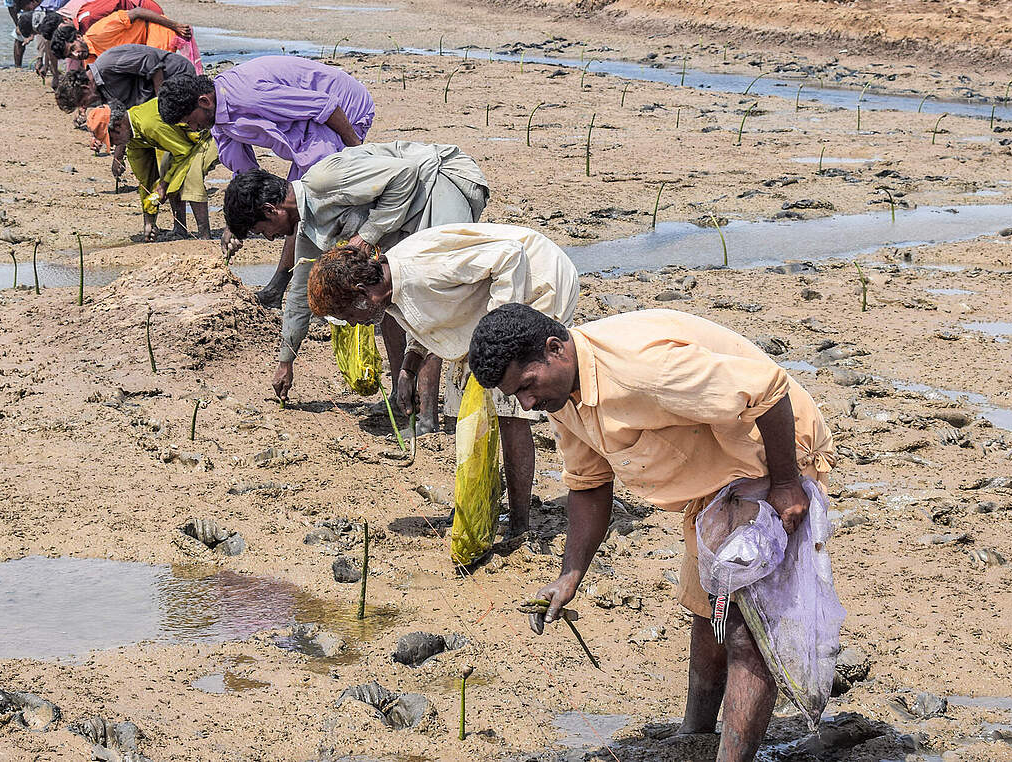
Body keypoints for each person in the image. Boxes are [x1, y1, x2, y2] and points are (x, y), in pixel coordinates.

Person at [466, 305, 836, 762]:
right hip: (711, 477)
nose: (525, 405)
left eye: (526, 387)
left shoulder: (644, 369)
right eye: (514, 395)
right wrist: (570, 575)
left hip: (769, 451)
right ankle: (695, 736)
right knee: (707, 607)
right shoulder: (561, 396)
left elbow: (768, 388)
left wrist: (785, 483)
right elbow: (589, 485)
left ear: (555, 349)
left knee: (746, 628)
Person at [307, 224, 579, 533]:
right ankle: (478, 505)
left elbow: (509, 256)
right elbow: (432, 317)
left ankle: (519, 524)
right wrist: (409, 365)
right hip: (485, 307)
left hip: (537, 280)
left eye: (348, 317)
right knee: (458, 404)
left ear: (360, 295)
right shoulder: (386, 288)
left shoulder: (422, 270)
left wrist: (495, 334)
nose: (355, 324)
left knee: (507, 409)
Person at [222, 141, 487, 403]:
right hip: (411, 211)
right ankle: (401, 396)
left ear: (272, 210)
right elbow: (300, 296)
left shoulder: (325, 180)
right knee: (384, 296)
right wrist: (286, 361)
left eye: (262, 231)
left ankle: (427, 413)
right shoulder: (307, 229)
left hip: (440, 181)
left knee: (430, 296)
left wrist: (366, 236)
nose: (269, 239)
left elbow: (405, 174)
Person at [157, 57, 376, 307]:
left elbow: (325, 105)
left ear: (204, 101)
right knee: (296, 203)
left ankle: (293, 287)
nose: (192, 128)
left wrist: (357, 153)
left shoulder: (250, 96)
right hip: (306, 128)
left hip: (342, 109)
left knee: (310, 203)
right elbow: (247, 176)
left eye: (189, 120)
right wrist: (236, 223)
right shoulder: (217, 120)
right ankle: (285, 288)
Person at [108, 100, 220, 241]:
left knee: (190, 174)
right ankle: (180, 230)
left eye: (111, 139)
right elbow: (146, 179)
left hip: (210, 132)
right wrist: (149, 221)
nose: (113, 145)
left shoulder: (149, 125)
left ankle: (204, 236)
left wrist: (164, 185)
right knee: (166, 168)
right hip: (186, 143)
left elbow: (184, 152)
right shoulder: (132, 136)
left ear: (118, 125)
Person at [54, 44, 197, 113]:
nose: (86, 107)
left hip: (176, 74)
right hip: (156, 97)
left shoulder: (107, 64)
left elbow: (151, 60)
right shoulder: (101, 90)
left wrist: (162, 101)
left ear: (86, 88)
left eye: (84, 102)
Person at [49, 8, 196, 68]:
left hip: (155, 30)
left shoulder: (100, 31)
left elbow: (138, 12)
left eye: (73, 48)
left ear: (79, 36)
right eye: (71, 55)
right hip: (143, 51)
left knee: (156, 69)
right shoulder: (90, 61)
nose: (77, 55)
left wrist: (175, 25)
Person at [0, 0, 30, 67]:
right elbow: (11, 7)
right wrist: (18, 25)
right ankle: (18, 67)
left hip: (37, 8)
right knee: (18, 37)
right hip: (22, 13)